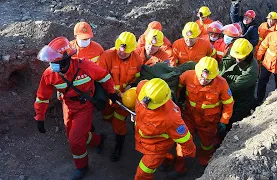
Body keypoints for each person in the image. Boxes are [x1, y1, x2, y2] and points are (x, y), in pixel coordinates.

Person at [34, 36, 118, 180]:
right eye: (51, 62)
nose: (52, 66)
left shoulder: (84, 66)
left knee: (75, 140)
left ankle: (82, 166)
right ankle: (98, 140)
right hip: (67, 105)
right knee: (73, 135)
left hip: (85, 106)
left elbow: (104, 76)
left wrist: (112, 92)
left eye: (56, 62)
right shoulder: (49, 74)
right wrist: (40, 117)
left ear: (66, 60)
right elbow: (42, 96)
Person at [170, 57, 234, 178]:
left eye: (207, 79)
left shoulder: (222, 84)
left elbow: (228, 103)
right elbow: (177, 87)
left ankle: (204, 163)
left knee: (206, 144)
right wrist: (176, 101)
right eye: (200, 77)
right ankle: (180, 167)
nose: (203, 81)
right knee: (182, 141)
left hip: (208, 122)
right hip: (189, 116)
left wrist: (224, 120)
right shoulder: (188, 75)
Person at [134, 78, 196, 180]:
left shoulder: (171, 118)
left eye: (149, 106)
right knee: (164, 158)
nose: (144, 105)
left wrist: (189, 152)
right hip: (142, 138)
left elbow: (184, 137)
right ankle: (167, 161)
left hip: (157, 148)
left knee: (142, 173)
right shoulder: (143, 87)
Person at [97, 31, 143, 162]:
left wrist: (132, 85)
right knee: (107, 116)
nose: (122, 53)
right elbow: (98, 76)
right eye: (120, 49)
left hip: (124, 99)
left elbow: (138, 77)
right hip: (107, 96)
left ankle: (119, 146)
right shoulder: (106, 56)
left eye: (126, 51)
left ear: (133, 49)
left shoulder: (137, 60)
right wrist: (110, 92)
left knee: (118, 123)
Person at [219, 38, 258, 131]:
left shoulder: (251, 70)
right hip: (227, 87)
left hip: (241, 98)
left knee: (234, 118)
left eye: (239, 58)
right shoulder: (234, 52)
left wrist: (218, 90)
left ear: (247, 54)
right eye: (235, 56)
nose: (236, 59)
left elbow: (235, 87)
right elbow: (223, 67)